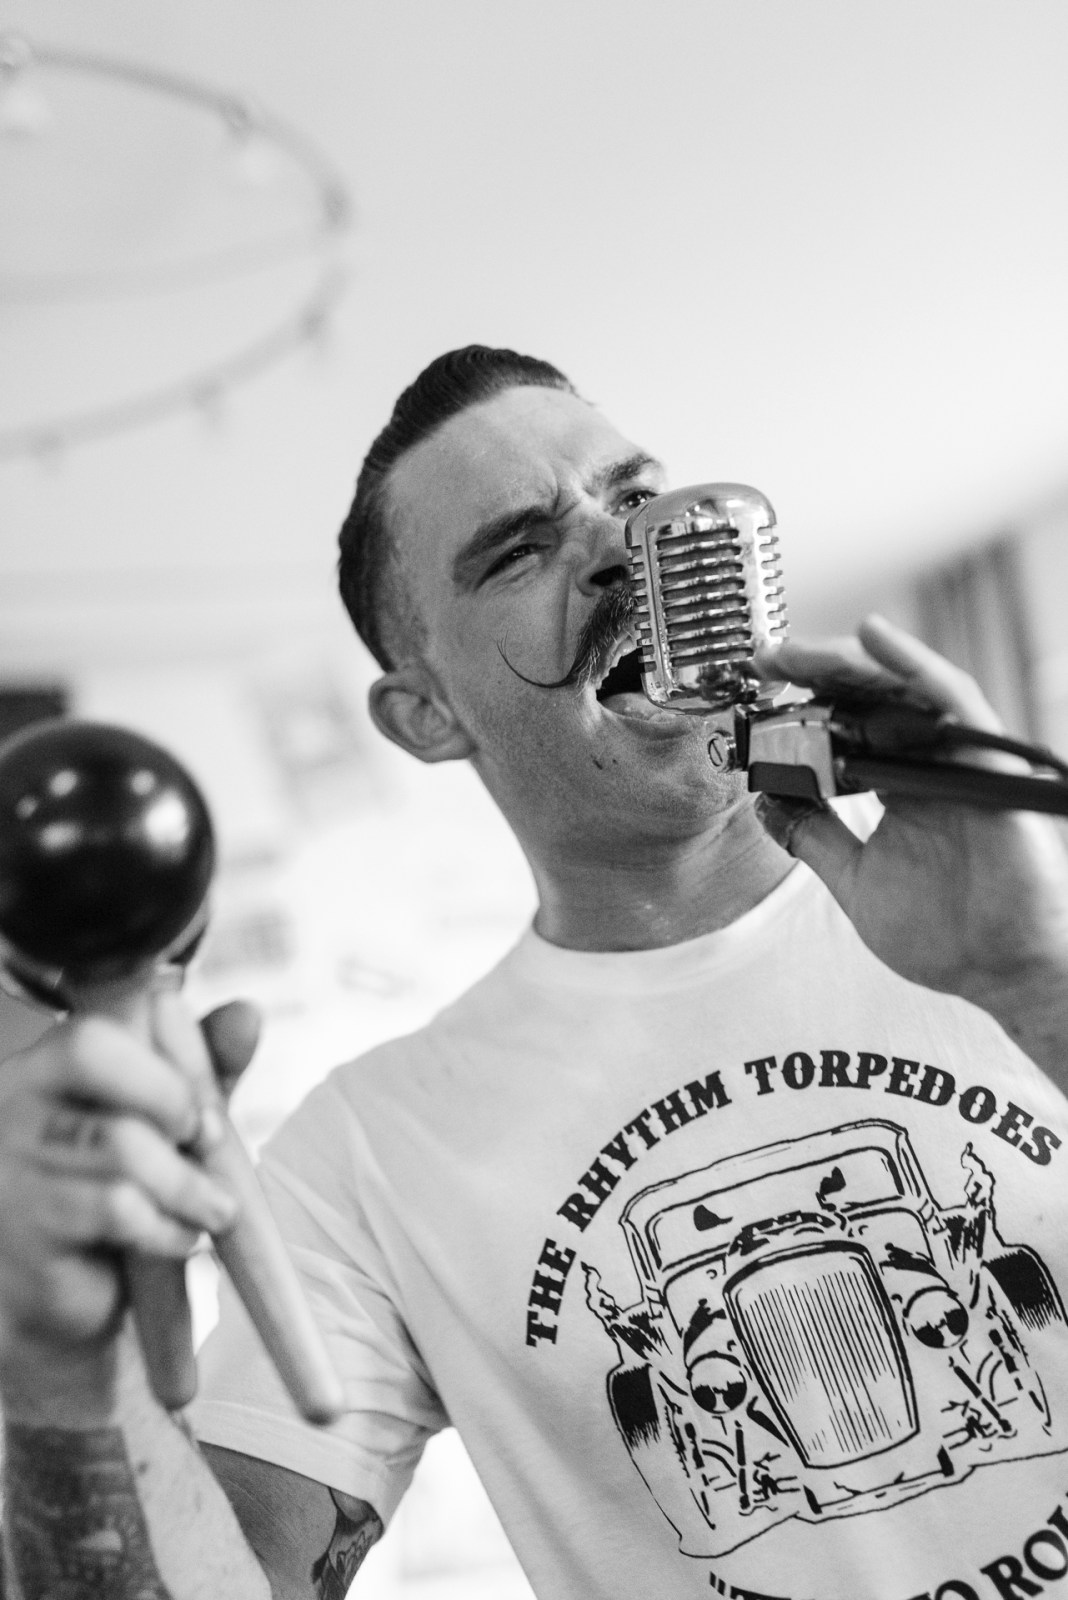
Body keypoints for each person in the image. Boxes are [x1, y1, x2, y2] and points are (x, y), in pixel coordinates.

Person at [3, 345, 1068, 1600]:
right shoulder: (369, 1155)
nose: (623, 547)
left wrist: (1034, 981)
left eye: (636, 496)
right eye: (519, 550)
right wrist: (67, 1381)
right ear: (428, 714)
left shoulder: (1022, 908)